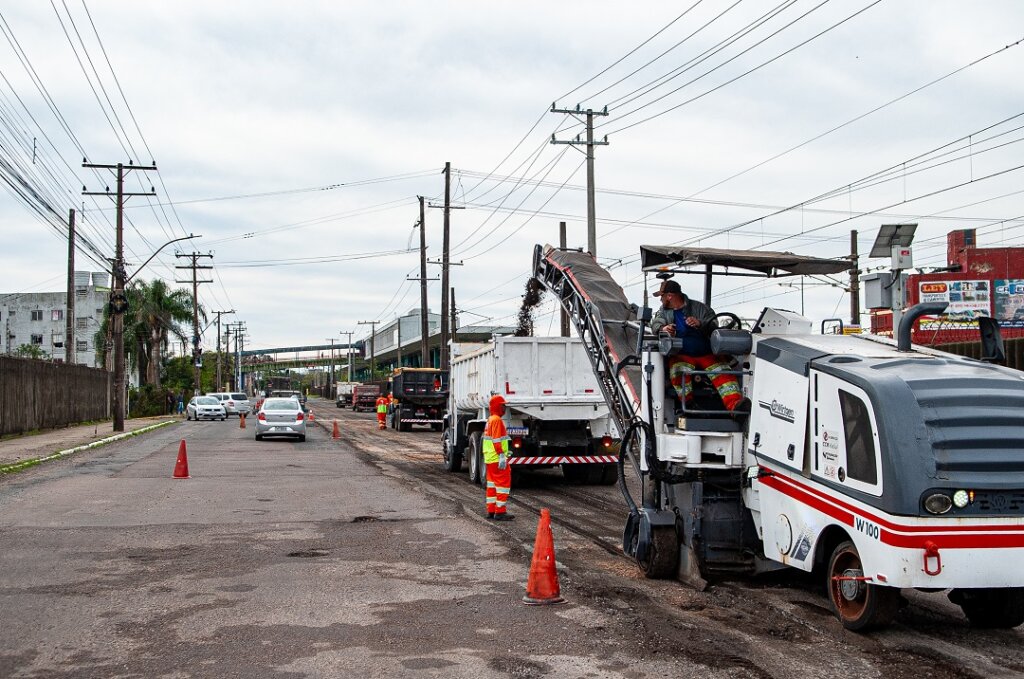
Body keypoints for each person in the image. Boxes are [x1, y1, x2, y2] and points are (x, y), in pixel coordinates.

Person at [650, 279, 750, 413]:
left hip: (707, 353)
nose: (661, 300)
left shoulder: (700, 308)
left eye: (661, 296)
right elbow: (656, 324)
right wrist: (664, 328)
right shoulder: (663, 312)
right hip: (681, 354)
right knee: (678, 371)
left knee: (724, 373)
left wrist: (700, 323)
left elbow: (713, 325)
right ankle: (689, 405)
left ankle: (736, 407)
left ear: (669, 296)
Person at [483, 394, 513, 520]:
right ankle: (500, 511)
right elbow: (496, 440)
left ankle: (491, 510)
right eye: (503, 406)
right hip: (497, 458)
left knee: (492, 485)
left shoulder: (490, 419)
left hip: (490, 459)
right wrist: (501, 454)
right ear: (497, 407)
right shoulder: (496, 420)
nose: (505, 408)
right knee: (503, 484)